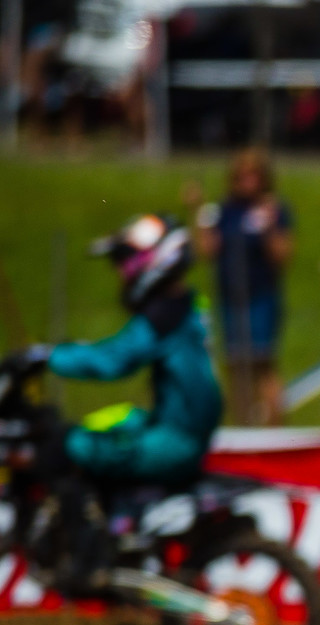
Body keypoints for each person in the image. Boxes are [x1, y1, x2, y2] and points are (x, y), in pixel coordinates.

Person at [1, 215, 223, 592]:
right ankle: (102, 532)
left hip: (174, 440)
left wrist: (47, 357)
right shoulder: (182, 305)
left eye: (125, 262)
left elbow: (113, 360)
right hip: (174, 428)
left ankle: (90, 559)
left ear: (154, 260)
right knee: (99, 427)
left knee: (68, 447)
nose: (122, 274)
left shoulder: (164, 317)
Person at [193, 147, 293, 425]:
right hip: (231, 296)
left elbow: (282, 256)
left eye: (253, 176)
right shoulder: (224, 210)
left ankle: (274, 428)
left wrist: (270, 225)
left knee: (262, 360)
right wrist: (197, 209)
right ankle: (244, 425)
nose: (247, 182)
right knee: (236, 364)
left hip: (261, 295)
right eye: (242, 176)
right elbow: (208, 251)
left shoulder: (273, 209)